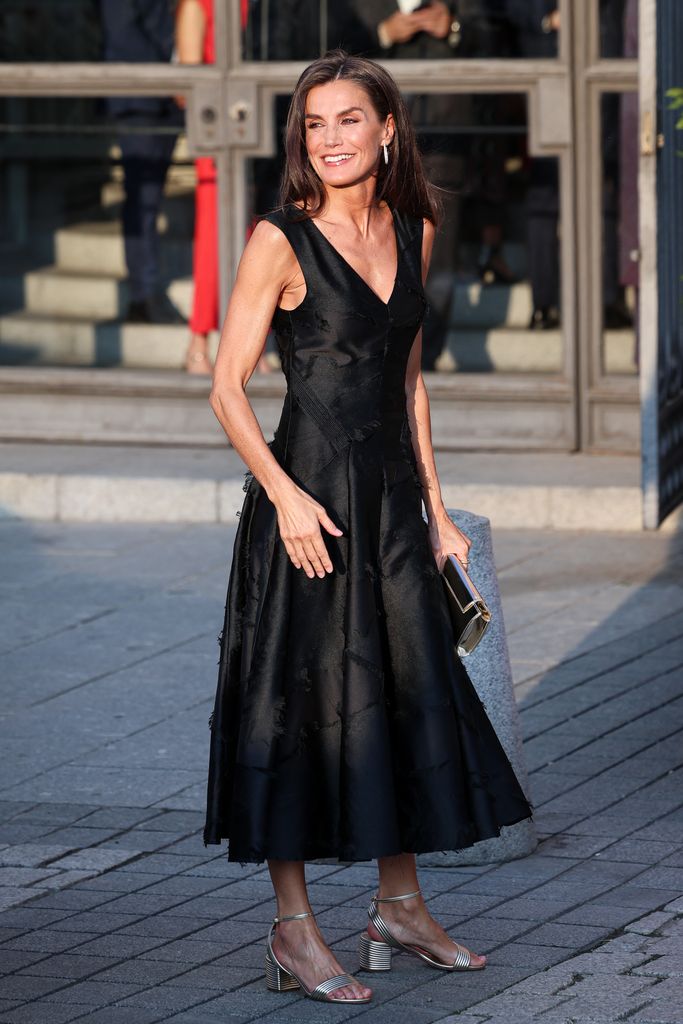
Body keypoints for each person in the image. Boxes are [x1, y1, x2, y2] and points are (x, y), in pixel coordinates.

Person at [204, 50, 533, 1004]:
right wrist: (283, 496)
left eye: (349, 119)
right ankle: (293, 931)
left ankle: (398, 906)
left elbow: (410, 380)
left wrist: (436, 509)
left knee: (396, 689)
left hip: (390, 506)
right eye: (315, 124)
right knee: (299, 703)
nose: (332, 139)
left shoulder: (413, 223)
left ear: (387, 127)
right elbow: (227, 388)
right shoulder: (280, 237)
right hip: (308, 505)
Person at [99, 0, 185, 325]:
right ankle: (142, 295)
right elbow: (123, 33)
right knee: (142, 199)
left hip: (172, 93)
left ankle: (146, 294)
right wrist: (177, 70)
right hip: (141, 93)